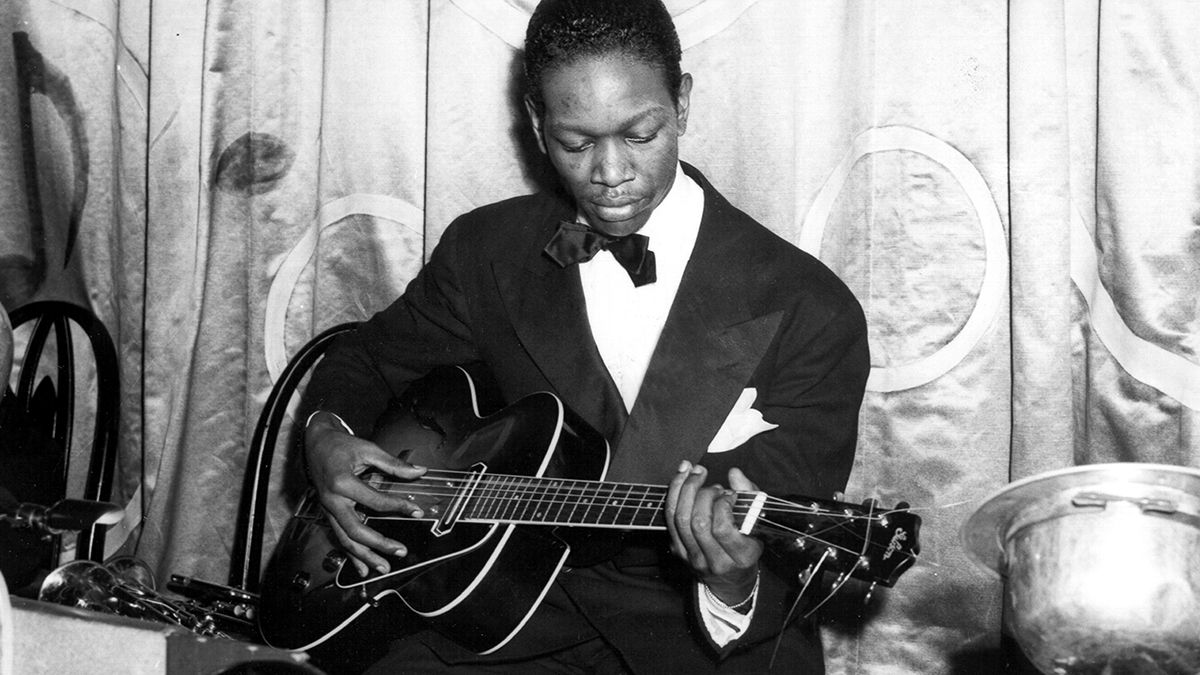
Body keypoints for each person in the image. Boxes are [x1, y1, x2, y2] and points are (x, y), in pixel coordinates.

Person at [301, 0, 869, 672]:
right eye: (576, 143)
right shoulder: (488, 250)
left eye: (639, 134)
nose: (609, 173)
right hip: (504, 606)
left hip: (708, 630)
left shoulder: (811, 307)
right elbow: (365, 362)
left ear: (681, 104)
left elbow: (780, 550)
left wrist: (730, 581)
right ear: (538, 126)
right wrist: (326, 439)